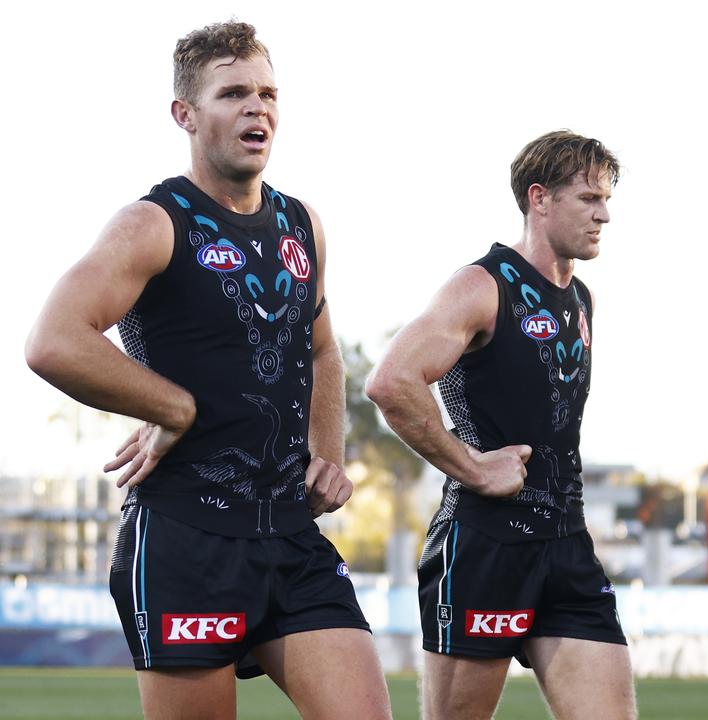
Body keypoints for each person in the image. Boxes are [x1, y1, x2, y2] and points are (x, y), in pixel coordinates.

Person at [24, 21, 391, 719]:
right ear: (185, 116)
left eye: (267, 93)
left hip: (289, 532)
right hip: (184, 538)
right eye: (233, 94)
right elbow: (54, 340)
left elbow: (321, 350)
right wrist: (173, 408)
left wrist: (330, 451)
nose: (258, 109)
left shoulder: (302, 225)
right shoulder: (153, 223)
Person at [365, 130, 635, 720]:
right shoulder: (482, 285)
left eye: (607, 199)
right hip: (485, 544)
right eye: (589, 198)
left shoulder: (582, 298)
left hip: (566, 542)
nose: (604, 214)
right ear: (540, 199)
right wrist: (471, 467)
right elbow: (391, 381)